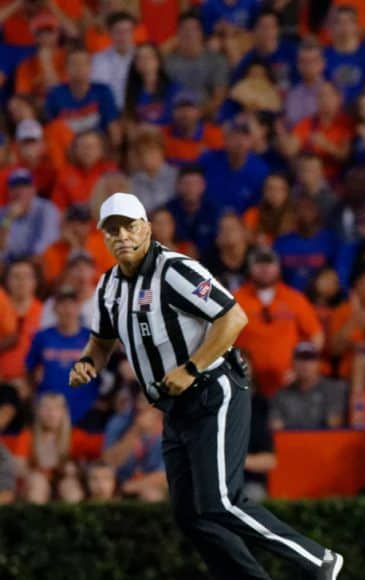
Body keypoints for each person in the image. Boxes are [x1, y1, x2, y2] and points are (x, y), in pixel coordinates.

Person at [67, 193, 344, 579]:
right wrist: (86, 362)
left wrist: (191, 367)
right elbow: (101, 340)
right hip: (173, 406)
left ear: (146, 227)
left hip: (213, 389)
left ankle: (318, 561)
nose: (122, 236)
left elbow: (233, 317)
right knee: (189, 514)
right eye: (112, 230)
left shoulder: (174, 269)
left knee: (220, 502)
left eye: (129, 226)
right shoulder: (109, 285)